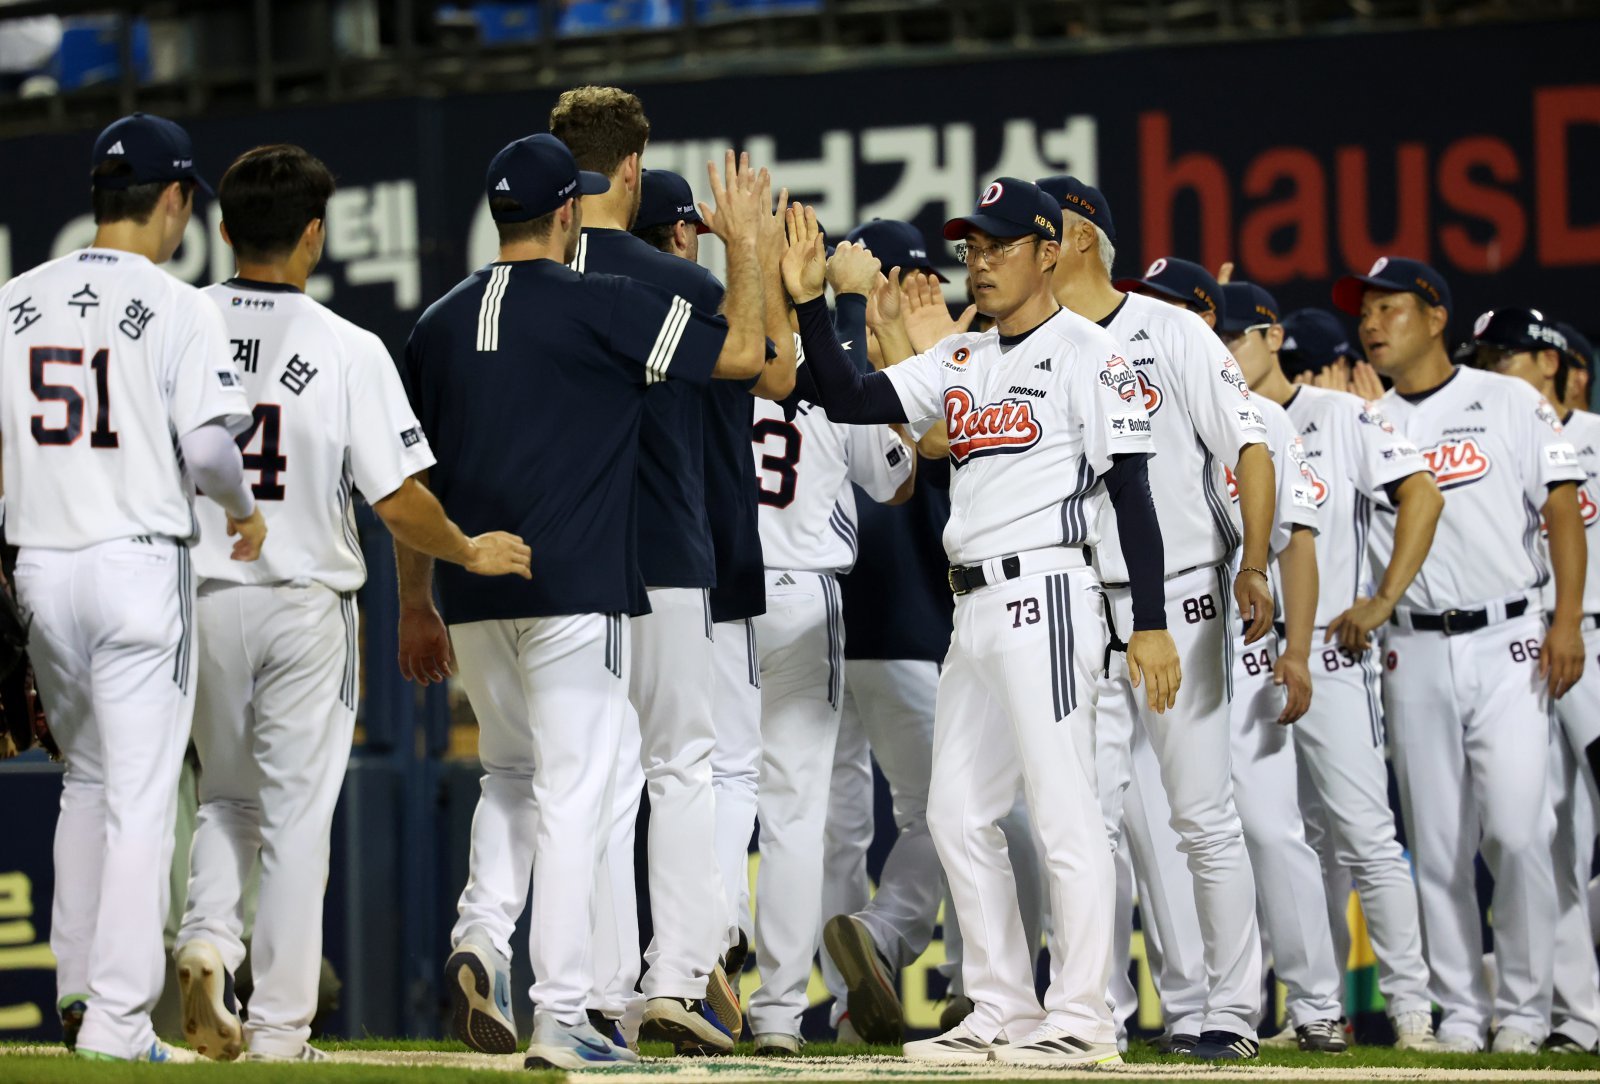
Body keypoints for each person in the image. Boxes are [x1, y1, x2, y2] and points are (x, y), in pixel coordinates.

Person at [781, 178, 1180, 1068]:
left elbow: (1134, 493)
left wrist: (1147, 620)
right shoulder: (960, 361)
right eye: (972, 247)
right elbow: (848, 398)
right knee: (958, 815)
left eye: (999, 245)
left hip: (1052, 596)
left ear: (1048, 253)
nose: (981, 261)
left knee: (1067, 809)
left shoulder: (1093, 353)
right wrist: (813, 302)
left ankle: (1083, 1017)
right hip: (973, 608)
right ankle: (1000, 1005)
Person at [397, 133, 769, 1069]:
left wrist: (417, 603)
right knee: (574, 794)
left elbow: (410, 480)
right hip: (575, 592)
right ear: (569, 214)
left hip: (471, 592)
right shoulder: (605, 303)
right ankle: (562, 1012)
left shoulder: (437, 323)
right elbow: (754, 357)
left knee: (509, 778)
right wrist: (752, 253)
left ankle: (481, 935)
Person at [171, 144, 530, 1064]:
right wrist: (464, 551)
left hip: (200, 595)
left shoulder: (181, 321)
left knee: (224, 800)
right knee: (295, 818)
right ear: (315, 236)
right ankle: (282, 1029)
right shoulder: (346, 346)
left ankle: (209, 942)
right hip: (301, 603)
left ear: (222, 230)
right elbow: (399, 500)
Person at [0, 112, 264, 1063]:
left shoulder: (14, 298)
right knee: (144, 797)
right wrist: (242, 508)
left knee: (85, 782)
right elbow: (206, 448)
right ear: (176, 200)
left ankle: (77, 993)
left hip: (39, 569)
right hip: (138, 564)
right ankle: (116, 1023)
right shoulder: (182, 305)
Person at [550, 87, 795, 1051]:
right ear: (627, 171)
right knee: (683, 766)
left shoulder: (527, 280)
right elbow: (769, 370)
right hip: (666, 551)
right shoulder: (671, 282)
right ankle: (680, 979)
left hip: (565, 562)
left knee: (595, 782)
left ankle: (599, 991)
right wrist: (747, 253)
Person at [1041, 176, 1275, 1060]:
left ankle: (1230, 1009)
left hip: (1178, 595)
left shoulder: (1170, 329)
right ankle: (1089, 1010)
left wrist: (1254, 560)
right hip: (1076, 603)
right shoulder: (1035, 345)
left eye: (1042, 232)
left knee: (1200, 814)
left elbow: (1247, 443)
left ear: (1083, 238)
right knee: (1087, 820)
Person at [1336, 257, 1586, 1053]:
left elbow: (1563, 513)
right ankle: (1463, 1014)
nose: (1372, 324)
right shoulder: (1364, 421)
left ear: (1437, 315)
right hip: (1411, 647)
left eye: (1390, 307)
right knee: (1437, 846)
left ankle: (1524, 1009)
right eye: (1365, 311)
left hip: (1509, 638)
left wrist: (1567, 620)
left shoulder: (1509, 399)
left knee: (1516, 832)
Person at [1247, 292, 1447, 1053]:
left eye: (1245, 336)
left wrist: (1382, 597)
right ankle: (1312, 1011)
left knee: (1365, 835)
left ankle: (1414, 1016)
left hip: (1330, 657)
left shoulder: (1339, 416)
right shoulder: (1220, 424)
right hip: (1249, 666)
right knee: (1288, 843)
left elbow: (1422, 492)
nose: (1232, 348)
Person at [745, 356, 916, 1055]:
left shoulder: (713, 346)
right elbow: (897, 479)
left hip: (718, 595)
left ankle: (692, 976)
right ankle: (780, 1016)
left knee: (707, 792)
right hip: (805, 588)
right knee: (794, 818)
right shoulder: (837, 370)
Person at [817, 221, 959, 1048]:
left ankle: (842, 997)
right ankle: (888, 942)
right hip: (904, 622)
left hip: (819, 622)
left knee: (830, 826)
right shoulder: (926, 361)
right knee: (949, 813)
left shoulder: (815, 347)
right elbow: (939, 441)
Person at [1466, 308, 1600, 1054]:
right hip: (1530, 645)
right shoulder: (1497, 440)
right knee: (1547, 840)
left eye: (1504, 355)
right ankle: (1574, 1017)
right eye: (1482, 356)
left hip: (1591, 637)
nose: (1490, 369)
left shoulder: (1595, 439)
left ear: (1549, 362)